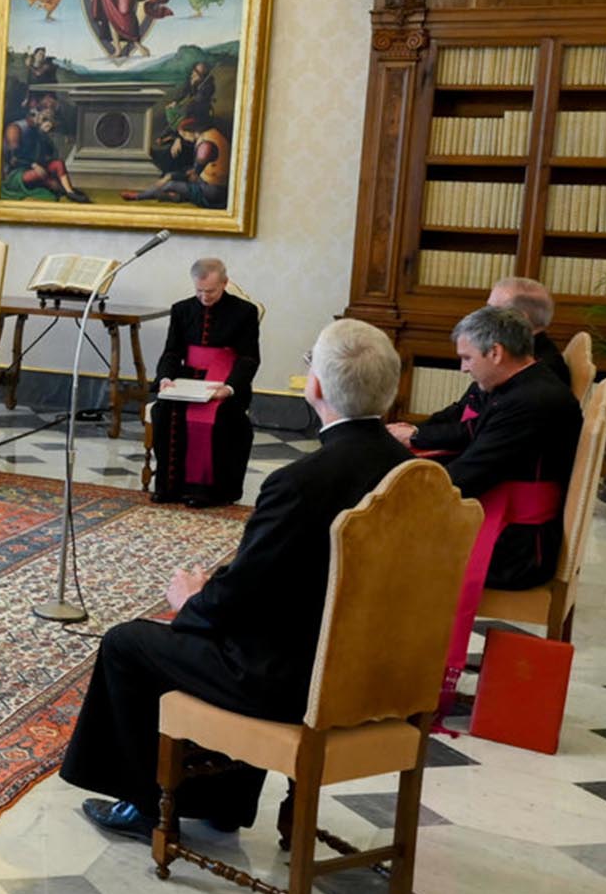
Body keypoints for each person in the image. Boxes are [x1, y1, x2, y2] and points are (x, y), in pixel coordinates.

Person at [62, 319, 413, 837]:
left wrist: (193, 600)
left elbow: (245, 595)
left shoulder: (299, 483)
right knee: (223, 630)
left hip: (296, 679)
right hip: (376, 671)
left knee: (132, 642)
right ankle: (221, 801)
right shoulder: (411, 472)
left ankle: (150, 804)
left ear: (314, 387)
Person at [389, 304, 581, 590]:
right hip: (510, 527)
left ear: (495, 352)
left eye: (467, 357)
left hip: (517, 548)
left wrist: (392, 492)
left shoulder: (530, 402)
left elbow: (469, 476)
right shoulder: (522, 387)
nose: (463, 367)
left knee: (382, 552)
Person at [402, 281, 569, 451]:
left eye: (491, 311)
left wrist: (416, 435)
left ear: (518, 318)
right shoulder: (512, 356)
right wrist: (414, 429)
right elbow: (465, 407)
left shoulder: (535, 370)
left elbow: (479, 429)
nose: (482, 315)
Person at [147, 258, 261, 507]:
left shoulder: (244, 312)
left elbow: (249, 358)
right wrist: (166, 378)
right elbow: (172, 352)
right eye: (199, 291)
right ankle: (170, 487)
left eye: (210, 291)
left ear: (224, 283)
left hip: (226, 382)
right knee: (164, 411)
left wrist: (229, 387)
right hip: (187, 379)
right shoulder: (181, 309)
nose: (204, 297)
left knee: (219, 417)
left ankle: (209, 491)